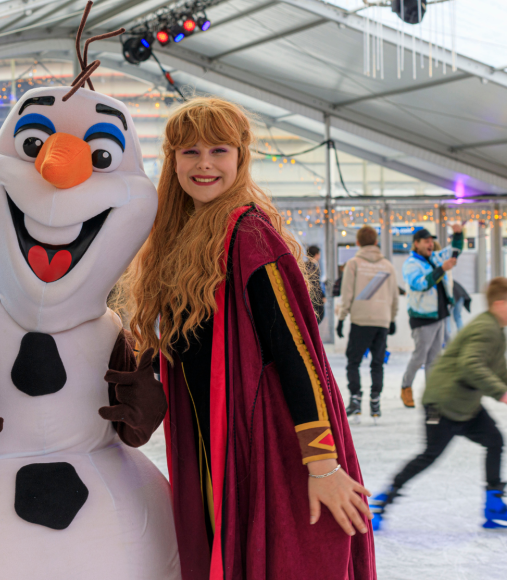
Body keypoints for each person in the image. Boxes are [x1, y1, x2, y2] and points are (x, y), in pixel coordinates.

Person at [125, 98, 374, 580]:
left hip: (264, 441)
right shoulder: (177, 237)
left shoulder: (249, 232)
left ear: (240, 157)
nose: (204, 164)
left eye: (219, 150)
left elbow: (297, 351)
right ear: (172, 158)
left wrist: (321, 462)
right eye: (190, 151)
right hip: (211, 438)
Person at [370, 277, 507, 530]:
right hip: (442, 404)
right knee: (430, 455)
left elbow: (501, 370)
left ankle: (494, 505)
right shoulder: (485, 328)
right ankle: (382, 501)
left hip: (466, 405)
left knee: (495, 441)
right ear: (499, 304)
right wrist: (503, 394)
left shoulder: (497, 330)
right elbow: (471, 365)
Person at [336, 225, 398, 421]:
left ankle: (355, 399)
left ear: (358, 243)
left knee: (353, 361)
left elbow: (347, 294)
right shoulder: (387, 266)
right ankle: (375, 400)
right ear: (376, 242)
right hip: (382, 320)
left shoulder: (353, 264)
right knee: (377, 362)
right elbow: (394, 296)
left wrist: (341, 317)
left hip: (360, 320)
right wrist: (392, 317)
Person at [399, 225, 464, 408]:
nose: (430, 243)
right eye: (426, 240)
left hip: (440, 315)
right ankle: (406, 386)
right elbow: (421, 284)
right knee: (420, 356)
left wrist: (458, 235)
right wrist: (441, 269)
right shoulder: (411, 264)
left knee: (434, 358)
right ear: (416, 244)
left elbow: (454, 252)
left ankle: (432, 394)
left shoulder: (433, 258)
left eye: (431, 240)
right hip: (423, 318)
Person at [304, 244, 325, 322]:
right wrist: (322, 297)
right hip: (313, 300)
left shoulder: (304, 266)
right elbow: (315, 285)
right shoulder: (313, 268)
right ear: (316, 255)